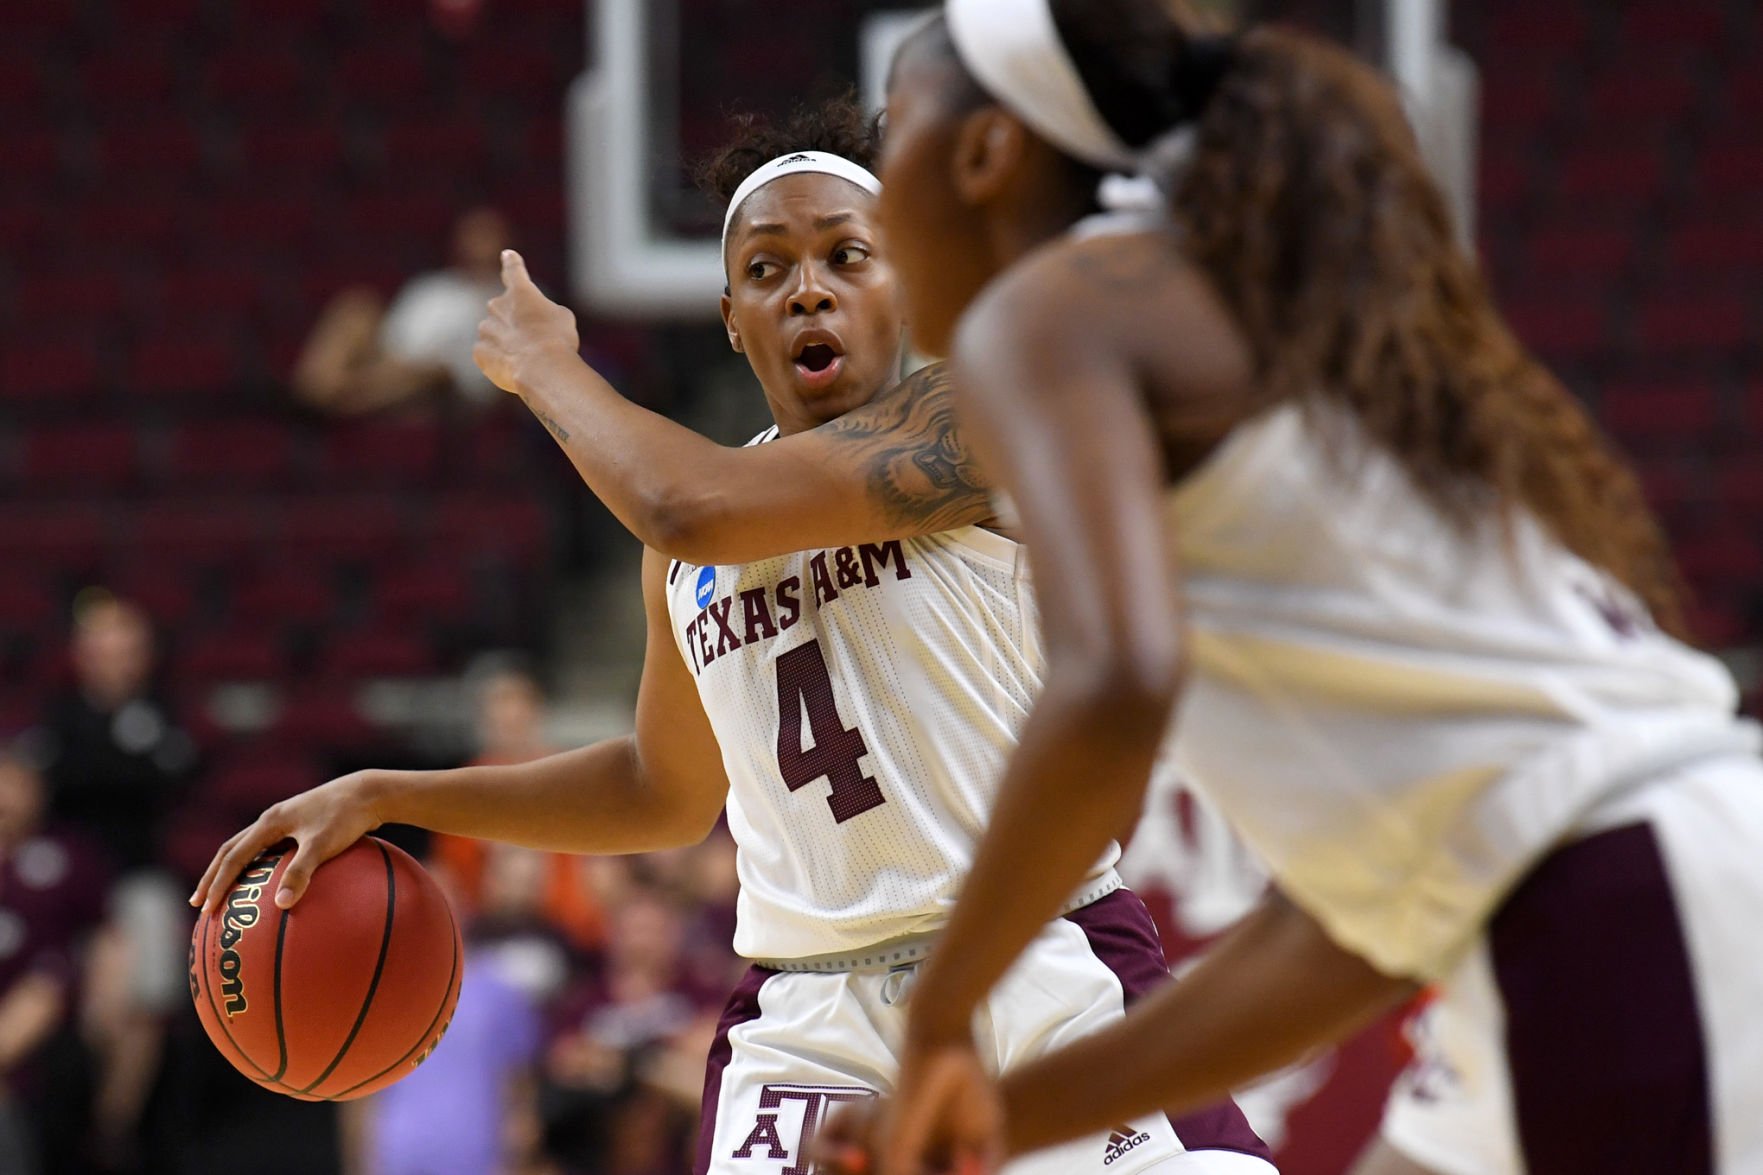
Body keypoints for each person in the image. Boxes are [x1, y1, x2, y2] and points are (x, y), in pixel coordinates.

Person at [192, 97, 1270, 1175]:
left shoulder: (972, 421)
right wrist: (396, 791)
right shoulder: (688, 554)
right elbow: (662, 791)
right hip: (809, 1020)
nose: (808, 287)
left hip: (1041, 974)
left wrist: (547, 367)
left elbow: (683, 500)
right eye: (768, 269)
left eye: (849, 256)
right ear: (728, 315)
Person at [813, 3, 1763, 1174]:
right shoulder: (1228, 308)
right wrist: (1000, 1111)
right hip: (1597, 889)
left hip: (1616, 896)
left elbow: (1116, 680)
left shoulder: (1047, 311)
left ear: (983, 153)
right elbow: (1341, 940)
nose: (875, 178)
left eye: (893, 127)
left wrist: (941, 1020)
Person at [293, 206, 511, 416]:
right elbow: (395, 334)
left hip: (448, 382)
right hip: (393, 359)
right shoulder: (432, 285)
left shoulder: (519, 296)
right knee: (357, 307)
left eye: (487, 234)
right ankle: (314, 394)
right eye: (472, 233)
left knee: (432, 372)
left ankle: (333, 410)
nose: (477, 243)